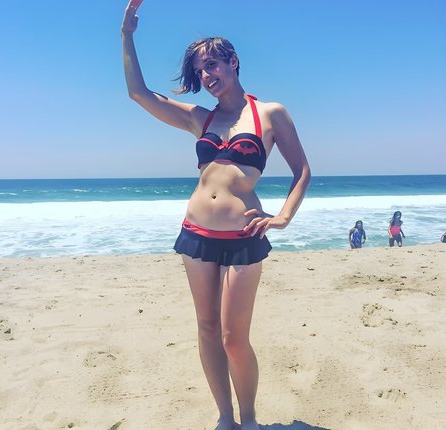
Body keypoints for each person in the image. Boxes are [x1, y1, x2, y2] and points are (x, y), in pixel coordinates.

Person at [121, 2, 310, 429]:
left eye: (212, 64)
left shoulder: (270, 114)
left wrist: (283, 217)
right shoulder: (200, 119)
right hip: (196, 234)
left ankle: (249, 419)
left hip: (243, 238)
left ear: (233, 61)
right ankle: (225, 417)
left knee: (233, 337)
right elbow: (139, 94)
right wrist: (126, 35)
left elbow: (302, 170)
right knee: (207, 329)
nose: (206, 75)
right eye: (200, 70)